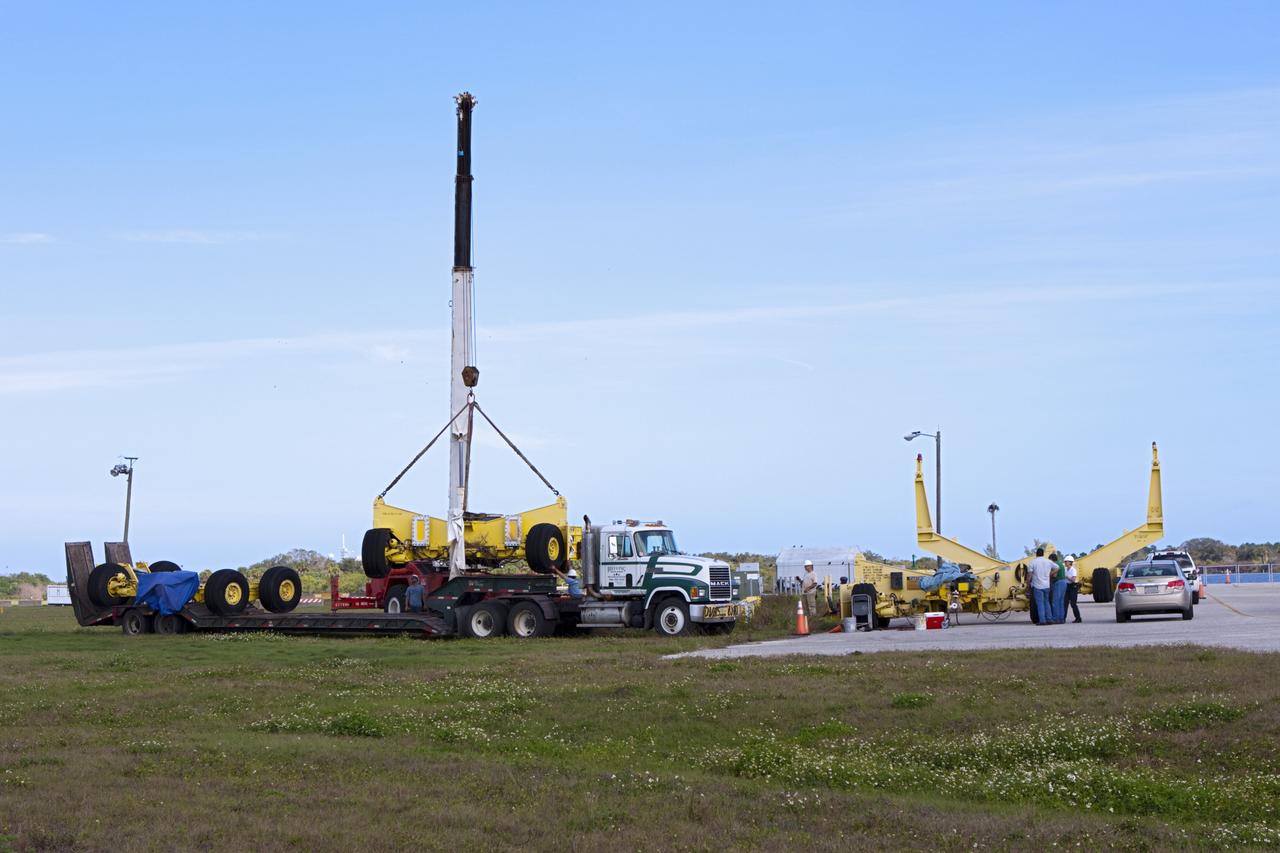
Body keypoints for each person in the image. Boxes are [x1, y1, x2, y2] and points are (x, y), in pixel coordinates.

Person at [1026, 547, 1055, 625]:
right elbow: (1057, 567)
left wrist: (1028, 584)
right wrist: (1050, 574)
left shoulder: (1033, 562)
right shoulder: (1048, 561)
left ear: (1036, 554)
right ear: (1043, 554)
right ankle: (1049, 619)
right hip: (1046, 585)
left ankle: (1042, 621)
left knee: (1040, 604)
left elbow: (1029, 575)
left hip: (1037, 586)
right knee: (1047, 602)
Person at [1049, 552, 1069, 624]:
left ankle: (1055, 619)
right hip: (1064, 582)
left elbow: (1055, 575)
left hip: (1058, 583)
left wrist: (1049, 574)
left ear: (1051, 559)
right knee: (1061, 601)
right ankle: (1061, 619)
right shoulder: (1061, 564)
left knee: (1055, 602)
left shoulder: (1055, 565)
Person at [1064, 555, 1082, 622]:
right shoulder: (1065, 569)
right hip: (1067, 586)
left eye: (1066, 561)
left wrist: (1066, 577)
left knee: (1073, 603)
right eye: (1065, 561)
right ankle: (1063, 618)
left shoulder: (1073, 570)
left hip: (1073, 587)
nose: (1065, 562)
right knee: (1065, 603)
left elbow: (1073, 580)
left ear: (1070, 562)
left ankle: (1078, 618)